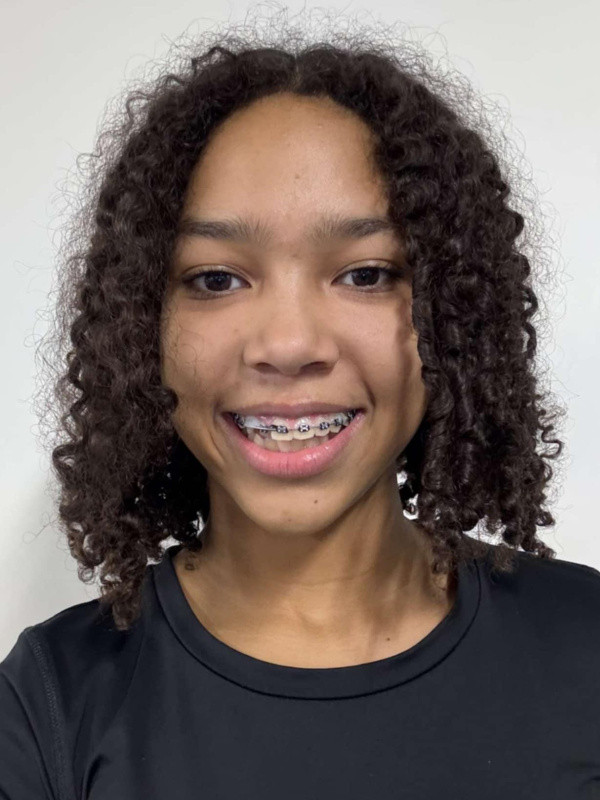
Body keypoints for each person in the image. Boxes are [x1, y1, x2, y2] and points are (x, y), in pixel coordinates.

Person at [2, 11, 599, 799]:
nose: (287, 344)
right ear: (143, 325)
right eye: (216, 279)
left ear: (455, 314)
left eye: (365, 274)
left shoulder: (586, 648)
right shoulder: (49, 707)